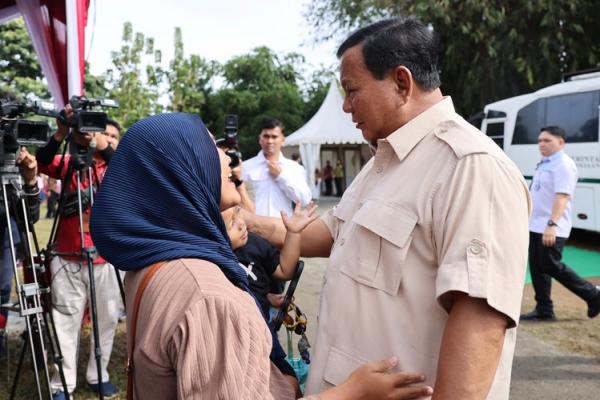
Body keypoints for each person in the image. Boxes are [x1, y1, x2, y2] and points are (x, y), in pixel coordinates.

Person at [242, 17, 531, 400]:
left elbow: (481, 324)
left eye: (352, 90)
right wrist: (242, 220)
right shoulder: (384, 161)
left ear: (401, 82)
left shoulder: (471, 167)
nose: (345, 106)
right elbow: (326, 232)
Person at [89, 112, 433, 400]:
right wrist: (353, 392)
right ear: (180, 169)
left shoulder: (158, 262)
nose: (227, 157)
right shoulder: (207, 297)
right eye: (210, 148)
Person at [36, 107, 122, 399]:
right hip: (68, 255)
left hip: (107, 257)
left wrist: (101, 143)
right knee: (65, 319)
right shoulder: (71, 161)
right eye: (102, 133)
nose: (105, 139)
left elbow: (123, 163)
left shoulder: (118, 167)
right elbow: (43, 162)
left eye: (112, 137)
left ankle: (99, 374)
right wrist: (61, 132)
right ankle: (63, 383)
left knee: (107, 319)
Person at [223, 201, 318, 396]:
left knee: (289, 383)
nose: (242, 224)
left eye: (238, 214)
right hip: (232, 340)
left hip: (263, 330)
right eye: (231, 223)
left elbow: (285, 269)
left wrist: (293, 233)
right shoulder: (212, 258)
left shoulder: (254, 243)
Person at [520, 126, 600, 321]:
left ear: (561, 142)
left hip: (551, 227)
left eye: (547, 140)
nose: (541, 144)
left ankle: (593, 294)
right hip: (535, 225)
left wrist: (552, 224)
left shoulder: (563, 164)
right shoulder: (545, 163)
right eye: (539, 140)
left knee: (550, 265)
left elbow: (562, 197)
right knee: (537, 267)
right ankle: (544, 309)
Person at [0, 148, 41, 356]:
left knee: (2, 290)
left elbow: (31, 218)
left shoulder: (16, 158)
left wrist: (30, 181)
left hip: (7, 234)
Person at [242, 119, 311, 217]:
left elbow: (304, 200)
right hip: (254, 227)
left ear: (282, 140)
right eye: (266, 136)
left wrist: (281, 176)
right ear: (259, 139)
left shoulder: (294, 168)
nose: (270, 141)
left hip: (283, 228)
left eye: (274, 137)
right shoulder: (246, 166)